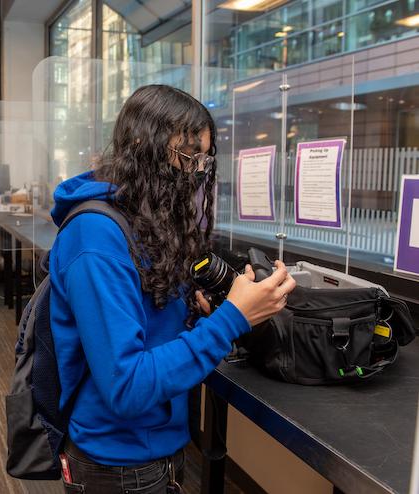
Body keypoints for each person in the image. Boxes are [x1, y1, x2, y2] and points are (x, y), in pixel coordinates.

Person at [49, 84, 296, 493]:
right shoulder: (96, 238)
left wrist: (200, 315)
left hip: (157, 448)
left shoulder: (142, 220)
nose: (196, 172)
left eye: (203, 159)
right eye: (187, 156)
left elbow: (147, 328)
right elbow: (125, 386)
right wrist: (231, 320)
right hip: (117, 463)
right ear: (142, 146)